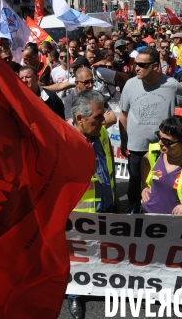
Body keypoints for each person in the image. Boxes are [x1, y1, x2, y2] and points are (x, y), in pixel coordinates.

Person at [119, 47, 182, 213]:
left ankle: (159, 209)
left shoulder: (171, 84)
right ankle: (134, 205)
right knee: (136, 179)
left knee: (162, 180)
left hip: (164, 146)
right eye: (135, 64)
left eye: (141, 65)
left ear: (154, 66)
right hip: (137, 144)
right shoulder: (130, 84)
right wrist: (124, 140)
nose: (136, 68)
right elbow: (123, 115)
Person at [68, 89, 117, 319]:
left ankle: (98, 284)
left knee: (100, 253)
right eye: (97, 117)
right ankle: (75, 297)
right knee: (77, 258)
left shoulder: (102, 132)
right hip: (79, 214)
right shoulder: (66, 141)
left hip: (105, 206)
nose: (103, 120)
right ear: (80, 118)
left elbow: (108, 167)